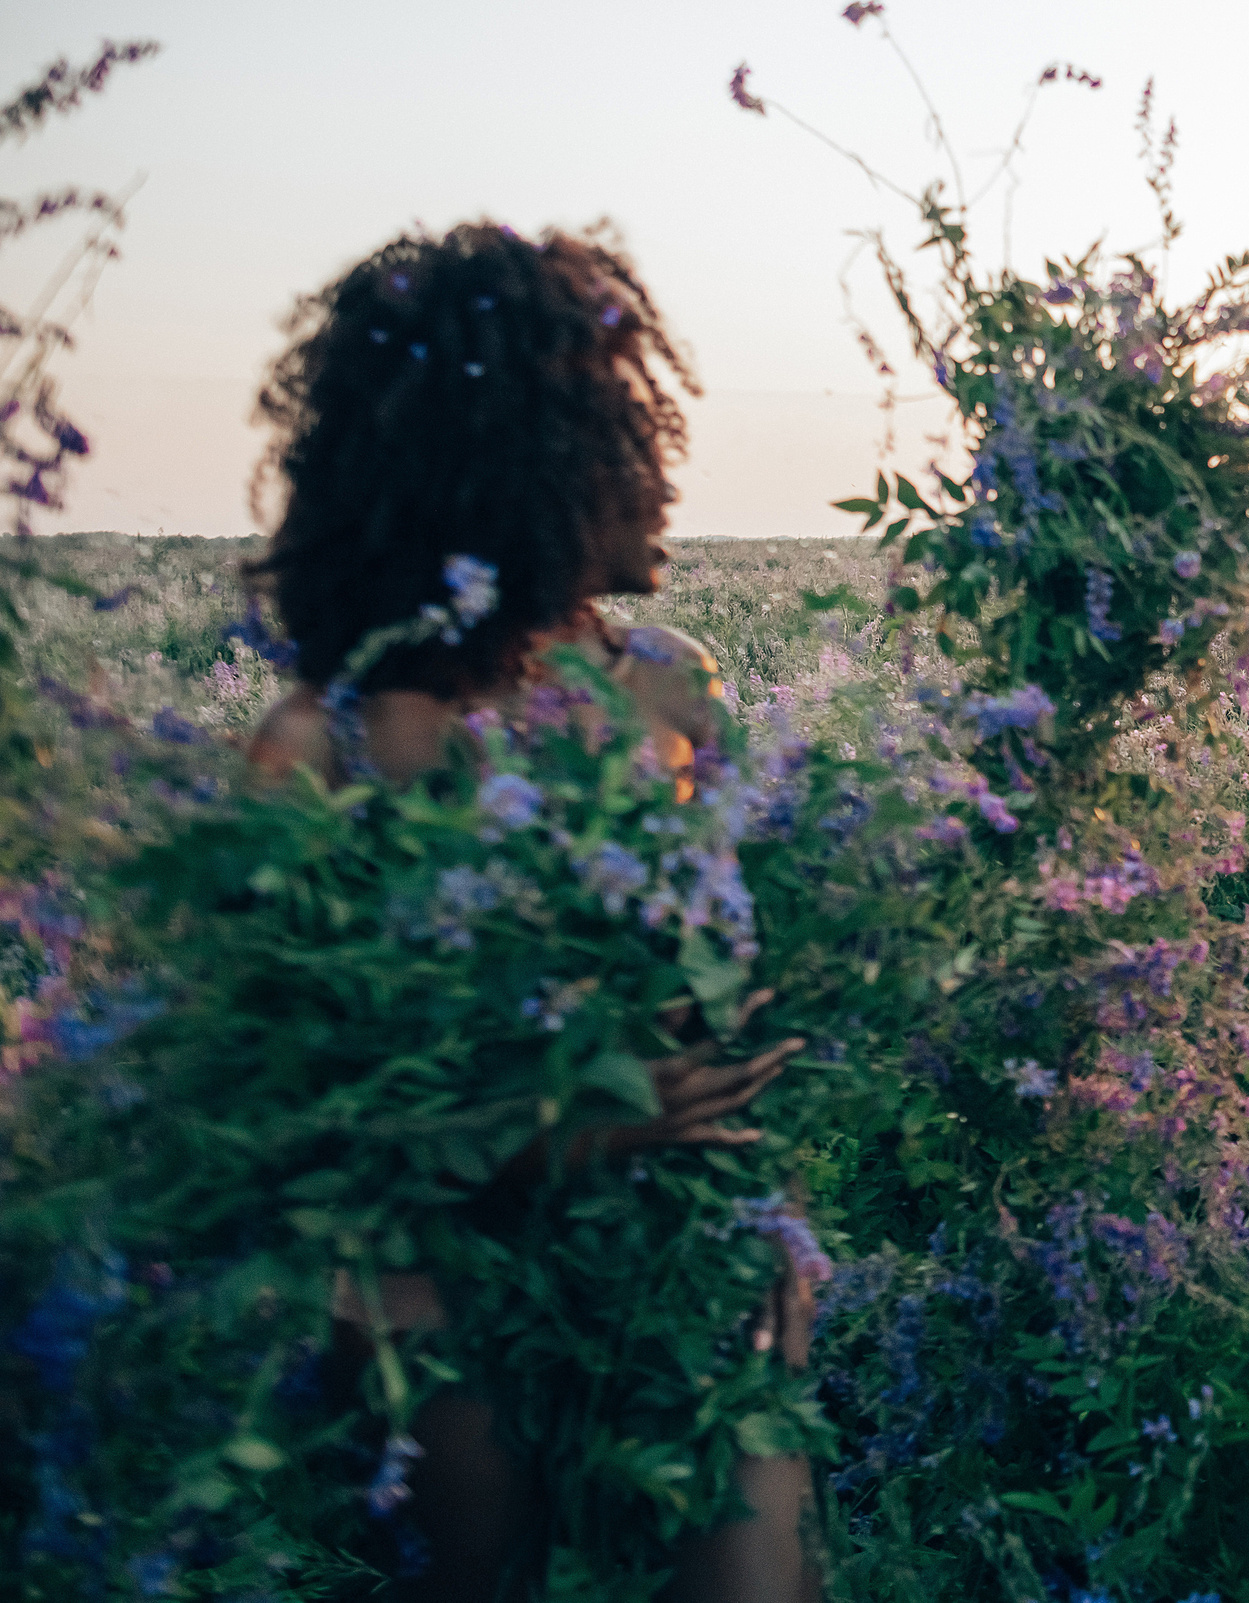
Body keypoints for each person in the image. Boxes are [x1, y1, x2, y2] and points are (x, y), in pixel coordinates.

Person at [245, 221, 819, 1602]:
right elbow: (287, 1103)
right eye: (623, 430)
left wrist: (771, 1194)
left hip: (673, 1233)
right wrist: (552, 1131)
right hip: (438, 1257)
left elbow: (725, 987)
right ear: (522, 460)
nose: (663, 466)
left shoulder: (676, 689)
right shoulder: (321, 748)